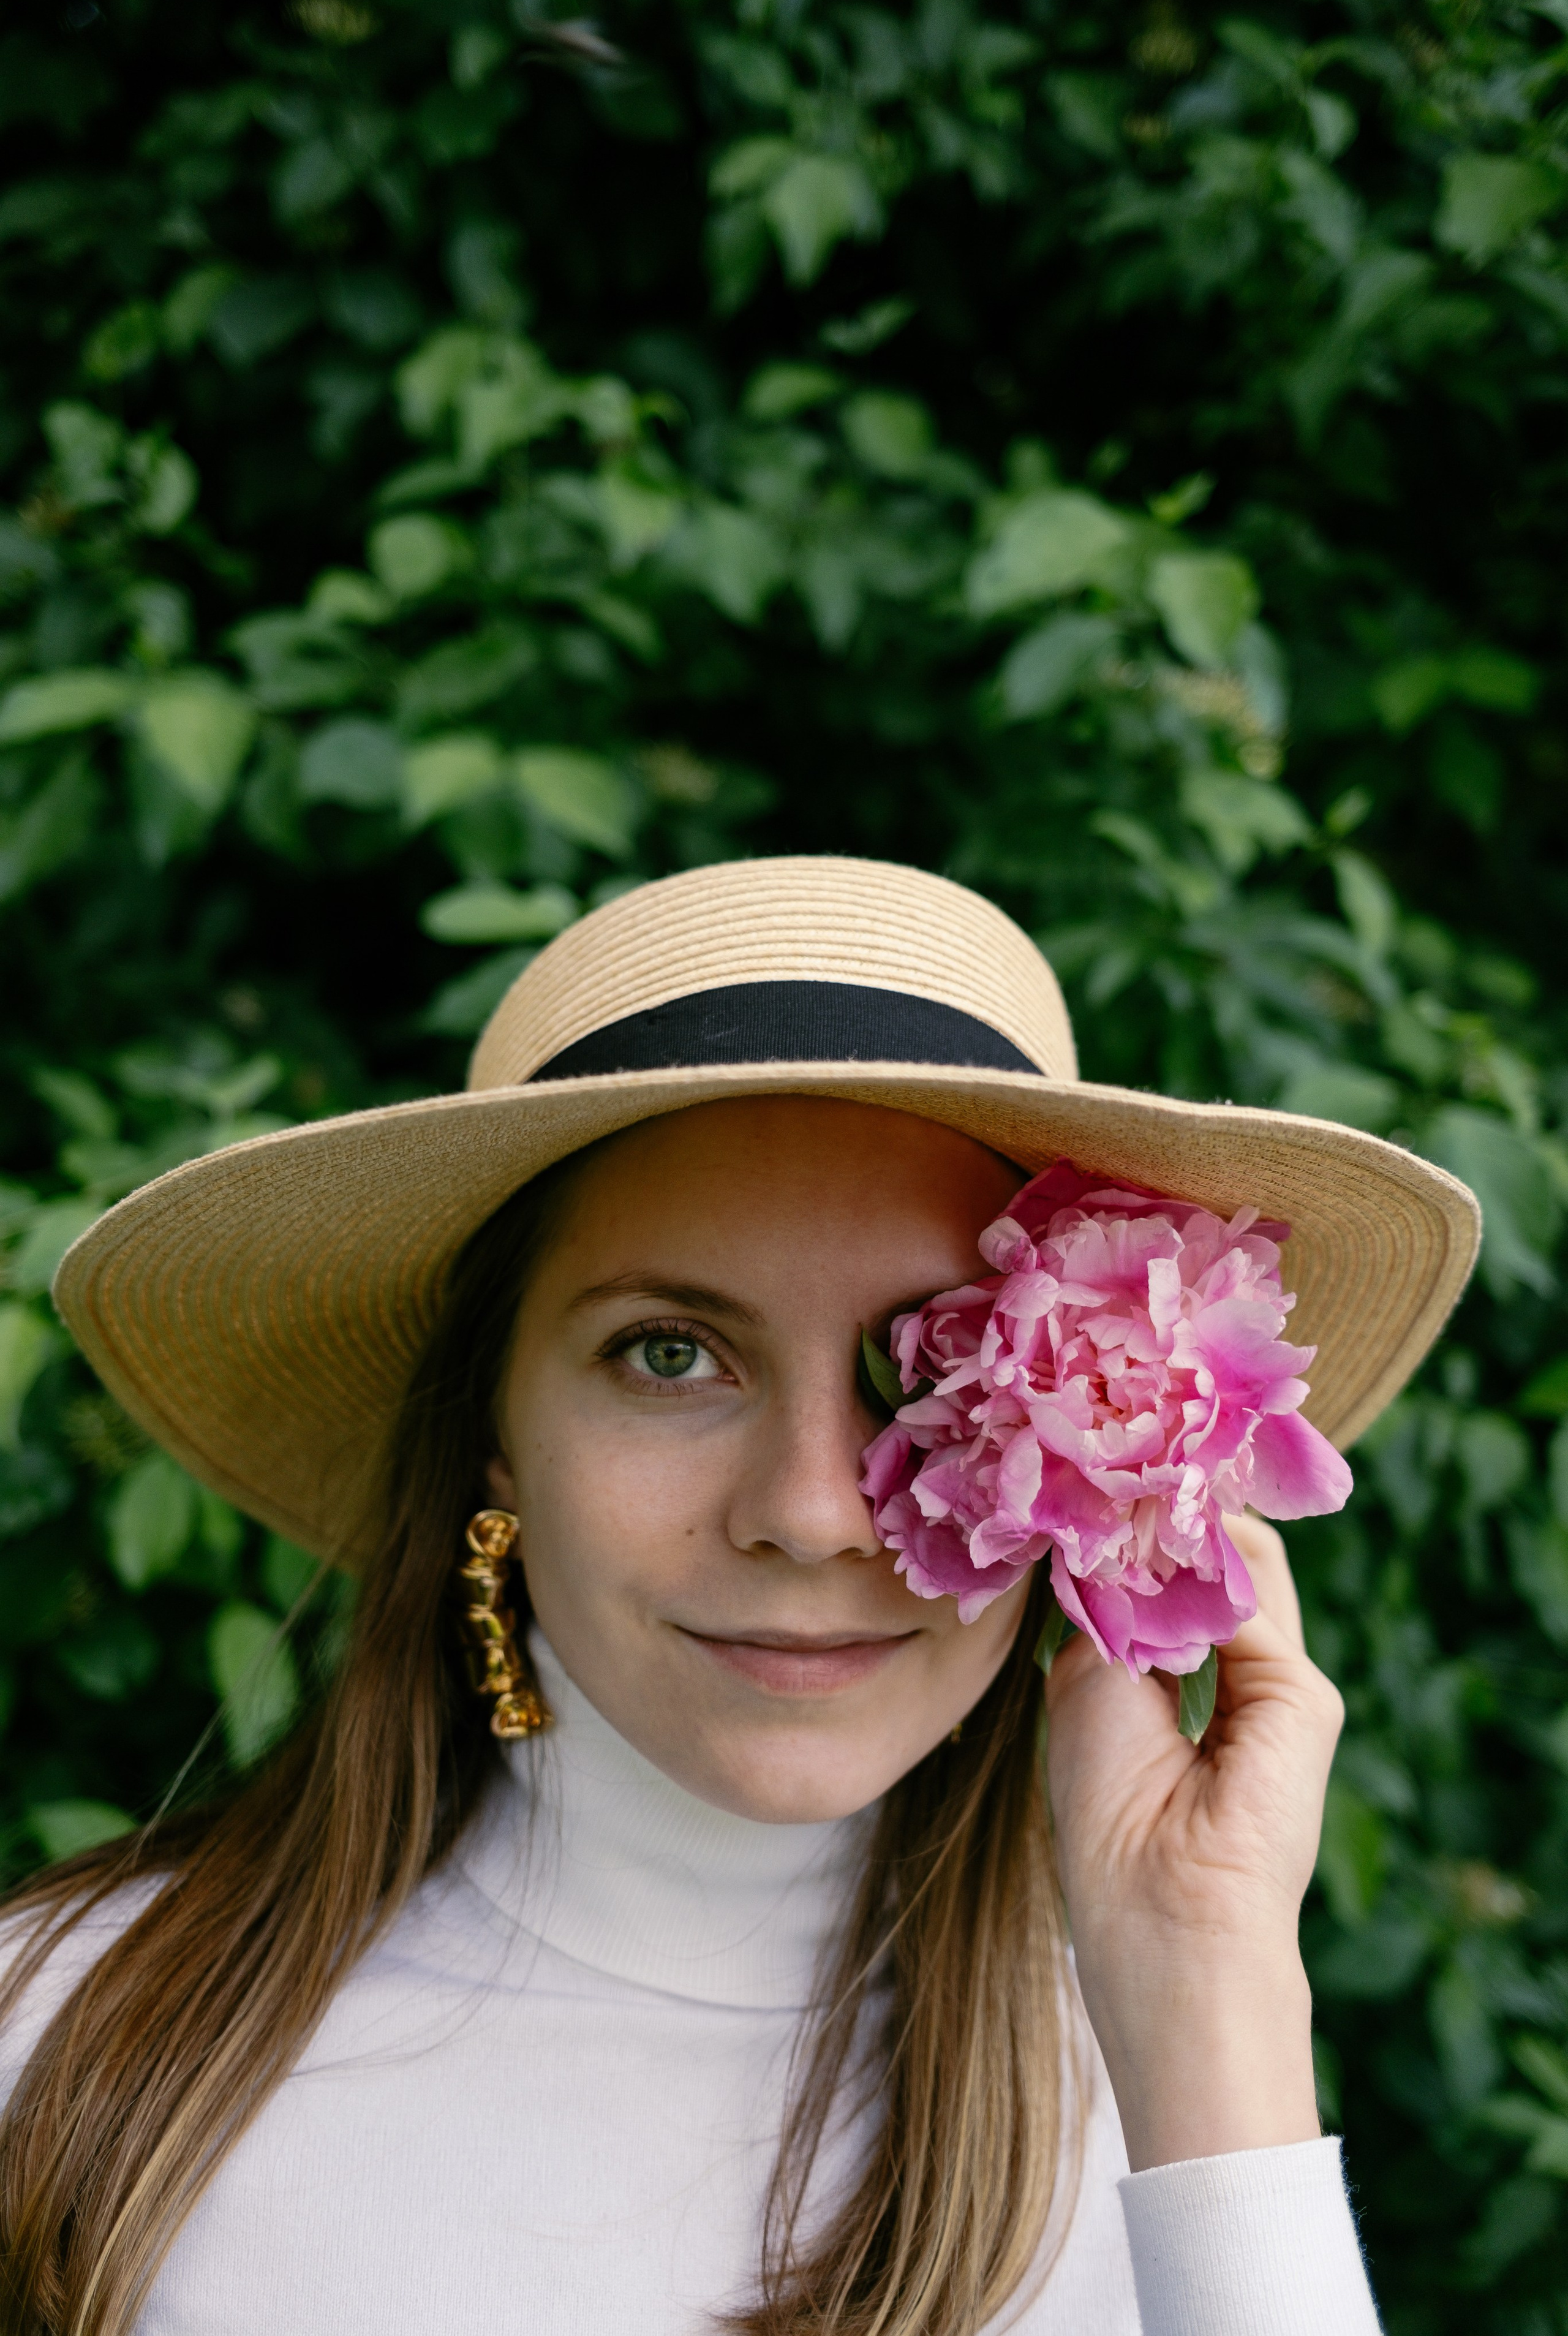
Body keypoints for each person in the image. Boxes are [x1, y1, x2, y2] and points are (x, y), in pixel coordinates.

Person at [0, 855, 1479, 2336]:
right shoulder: (51, 2040)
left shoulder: (1178, 2123)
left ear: (1100, 1476)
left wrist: (1212, 2008)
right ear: (493, 1434)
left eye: (924, 1369)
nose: (809, 1511)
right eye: (666, 1353)